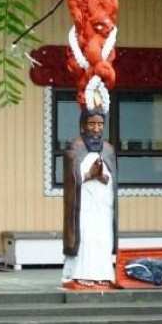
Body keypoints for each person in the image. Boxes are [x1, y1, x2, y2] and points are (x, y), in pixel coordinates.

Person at [62, 108, 118, 286]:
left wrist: (102, 176)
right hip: (83, 205)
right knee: (85, 237)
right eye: (92, 124)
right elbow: (70, 177)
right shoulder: (75, 147)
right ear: (83, 126)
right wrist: (88, 175)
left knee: (103, 237)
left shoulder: (108, 149)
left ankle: (103, 274)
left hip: (103, 205)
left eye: (100, 124)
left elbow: (112, 179)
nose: (96, 129)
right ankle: (81, 273)